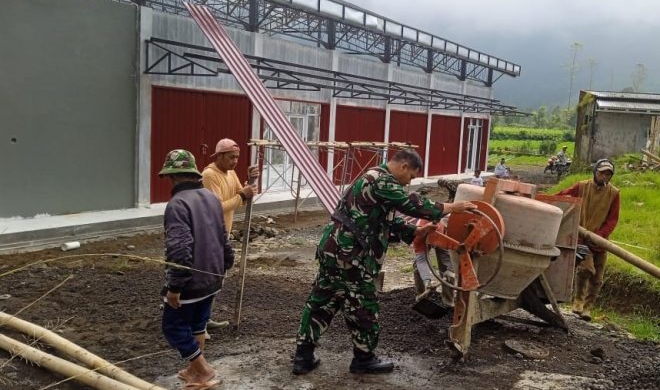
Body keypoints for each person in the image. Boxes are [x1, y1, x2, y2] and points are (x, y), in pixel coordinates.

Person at [292, 149, 476, 375]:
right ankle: (363, 359)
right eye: (411, 177)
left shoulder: (376, 182)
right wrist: (451, 208)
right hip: (352, 256)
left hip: (334, 251)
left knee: (321, 302)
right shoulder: (381, 180)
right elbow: (412, 204)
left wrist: (416, 231)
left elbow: (388, 221)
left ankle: (303, 357)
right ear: (403, 166)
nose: (409, 182)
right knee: (363, 305)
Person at [158, 149, 233, 389]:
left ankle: (203, 371)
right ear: (193, 173)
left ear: (172, 177)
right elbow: (224, 237)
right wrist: (225, 264)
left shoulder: (177, 204)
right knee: (198, 324)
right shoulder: (210, 198)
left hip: (191, 281)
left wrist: (174, 286)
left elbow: (179, 249)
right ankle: (194, 369)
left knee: (172, 327)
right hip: (213, 276)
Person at [201, 138, 259, 330]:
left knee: (217, 279)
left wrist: (250, 182)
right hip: (209, 236)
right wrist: (243, 195)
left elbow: (240, 195)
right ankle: (197, 324)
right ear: (219, 156)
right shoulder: (209, 175)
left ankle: (205, 319)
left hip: (222, 236)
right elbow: (216, 208)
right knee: (206, 278)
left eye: (237, 157)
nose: (235, 161)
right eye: (231, 157)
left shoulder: (231, 173)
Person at [556, 159, 620, 322]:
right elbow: (564, 196)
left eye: (608, 174)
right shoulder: (582, 186)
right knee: (586, 269)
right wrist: (550, 200)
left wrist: (600, 235)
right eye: (601, 173)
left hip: (600, 240)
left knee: (597, 278)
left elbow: (612, 220)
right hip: (582, 238)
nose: (604, 177)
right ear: (595, 172)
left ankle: (587, 308)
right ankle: (578, 301)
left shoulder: (614, 193)